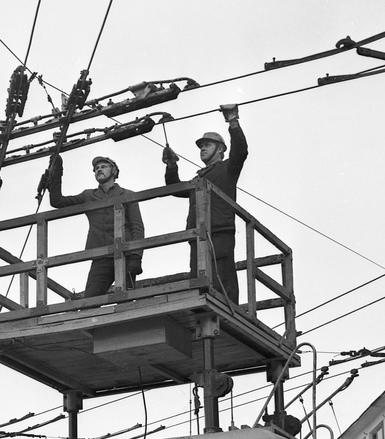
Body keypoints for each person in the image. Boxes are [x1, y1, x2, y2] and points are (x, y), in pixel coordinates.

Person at [162, 105, 247, 304]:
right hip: (198, 235)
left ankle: (229, 312)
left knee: (222, 277)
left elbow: (241, 151)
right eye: (201, 146)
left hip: (219, 230)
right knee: (200, 279)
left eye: (208, 145)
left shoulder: (227, 169)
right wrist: (171, 165)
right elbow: (175, 188)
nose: (202, 148)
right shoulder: (199, 178)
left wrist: (232, 121)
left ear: (220, 149)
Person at [48, 153, 145, 298]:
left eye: (103, 166)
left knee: (126, 301)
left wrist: (137, 256)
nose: (99, 169)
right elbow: (58, 202)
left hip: (126, 255)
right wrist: (56, 172)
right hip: (101, 256)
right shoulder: (88, 196)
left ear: (114, 171)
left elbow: (137, 228)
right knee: (90, 301)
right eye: (96, 168)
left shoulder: (128, 194)